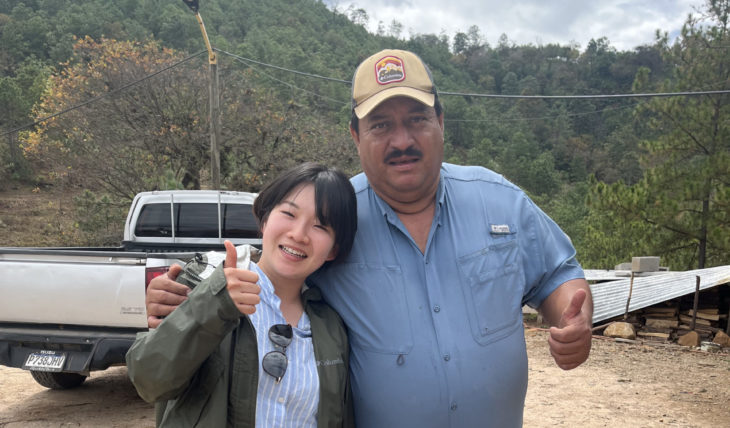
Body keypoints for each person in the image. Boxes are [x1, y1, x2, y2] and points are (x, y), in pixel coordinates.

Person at [144, 49, 593, 427]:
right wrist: (190, 299)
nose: (402, 140)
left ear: (441, 121)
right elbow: (273, 269)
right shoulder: (334, 218)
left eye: (417, 119)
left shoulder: (500, 200)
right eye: (380, 125)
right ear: (356, 136)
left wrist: (575, 322)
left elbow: (558, 273)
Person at [127, 162, 356, 427]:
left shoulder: (331, 327)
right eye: (289, 213)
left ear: (333, 250)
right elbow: (149, 381)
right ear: (265, 218)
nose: (299, 234)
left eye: (320, 226)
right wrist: (213, 303)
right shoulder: (201, 282)